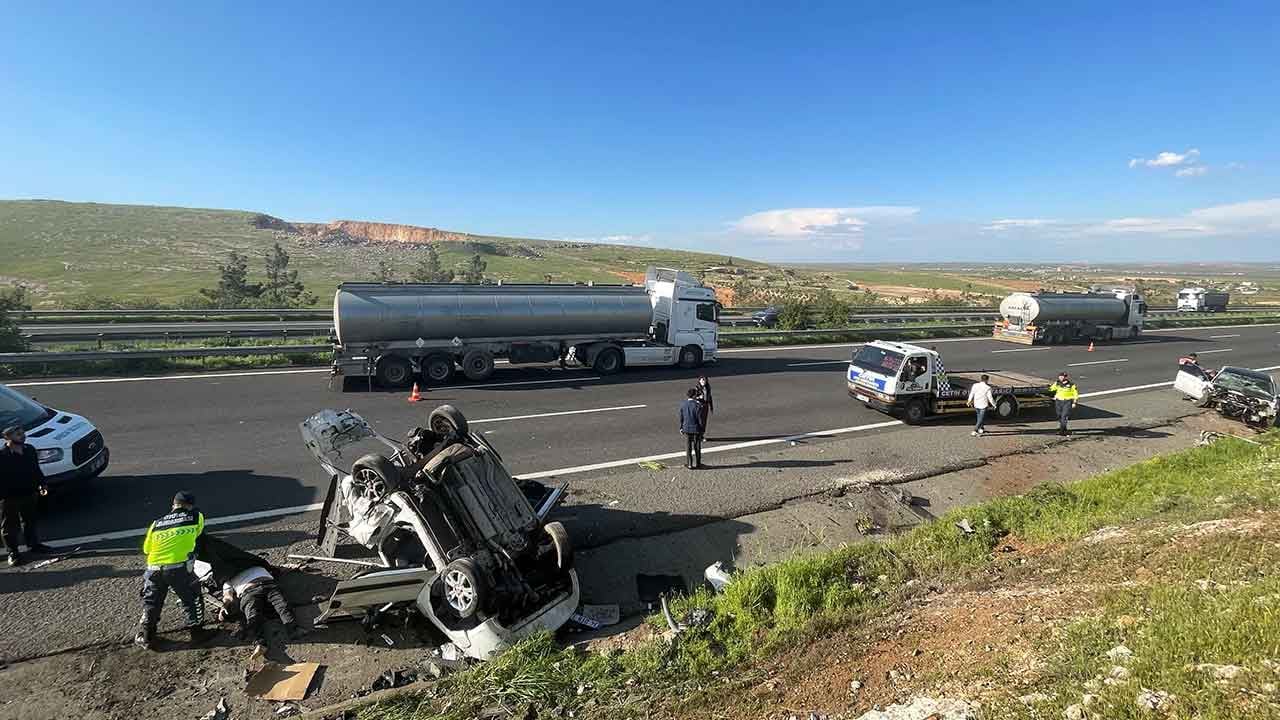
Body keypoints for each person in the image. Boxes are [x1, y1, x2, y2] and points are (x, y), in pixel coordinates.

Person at [136, 491, 211, 649]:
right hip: (178, 567)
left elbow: (146, 549)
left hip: (153, 568)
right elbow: (198, 537)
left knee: (152, 602)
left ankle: (147, 636)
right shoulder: (196, 517)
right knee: (192, 598)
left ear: (174, 504)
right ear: (191, 506)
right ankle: (197, 633)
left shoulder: (156, 523)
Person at [220, 564, 304, 656]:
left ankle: (293, 630)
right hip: (249, 592)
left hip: (270, 586)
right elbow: (228, 596)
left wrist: (295, 566)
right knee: (252, 616)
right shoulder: (229, 579)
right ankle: (260, 643)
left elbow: (281, 568)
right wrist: (224, 606)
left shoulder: (257, 564)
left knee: (282, 606)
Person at [0, 425, 53, 567]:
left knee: (30, 520)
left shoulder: (29, 450)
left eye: (22, 433)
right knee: (10, 526)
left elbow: (35, 469)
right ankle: (13, 553)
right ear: (7, 437)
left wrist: (42, 484)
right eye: (18, 434)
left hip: (29, 493)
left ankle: (34, 545)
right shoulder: (2, 455)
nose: (22, 436)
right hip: (9, 497)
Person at [679, 388, 705, 469]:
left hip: (686, 428)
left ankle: (689, 464)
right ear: (694, 396)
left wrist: (681, 427)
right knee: (697, 447)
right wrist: (702, 430)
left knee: (688, 447)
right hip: (696, 429)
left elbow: (681, 417)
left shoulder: (683, 404)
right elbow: (700, 419)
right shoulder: (698, 405)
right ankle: (698, 464)